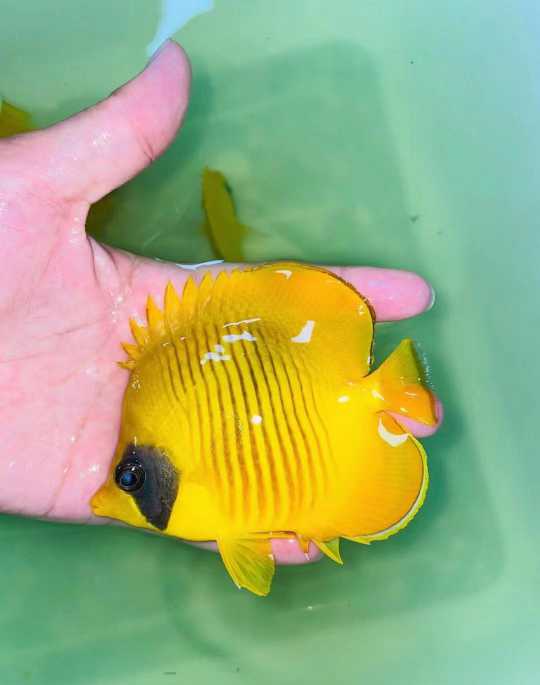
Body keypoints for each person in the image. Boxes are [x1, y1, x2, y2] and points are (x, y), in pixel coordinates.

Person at [0, 41, 442, 564]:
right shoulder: (150, 411)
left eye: (129, 477)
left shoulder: (154, 419)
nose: (107, 491)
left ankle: (379, 396)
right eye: (126, 476)